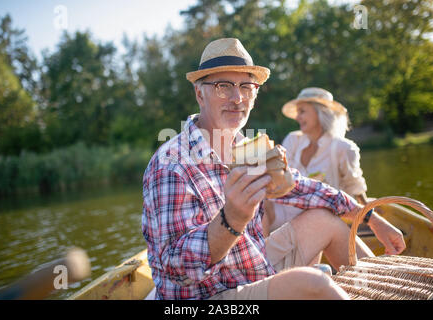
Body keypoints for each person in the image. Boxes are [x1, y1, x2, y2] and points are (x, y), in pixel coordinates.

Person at [141, 38, 406, 300]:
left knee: (325, 219)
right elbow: (177, 268)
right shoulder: (171, 163)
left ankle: (389, 294)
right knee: (312, 282)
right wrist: (232, 219)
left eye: (247, 87)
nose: (237, 98)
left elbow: (304, 188)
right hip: (208, 296)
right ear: (200, 94)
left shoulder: (248, 147)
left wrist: (370, 218)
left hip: (251, 268)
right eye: (223, 86)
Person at [265, 88, 374, 239]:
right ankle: (260, 256)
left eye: (302, 111)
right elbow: (281, 179)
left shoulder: (343, 148)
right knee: (261, 205)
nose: (297, 117)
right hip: (287, 211)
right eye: (297, 112)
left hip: (321, 216)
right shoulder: (292, 140)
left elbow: (355, 187)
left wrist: (370, 216)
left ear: (320, 112)